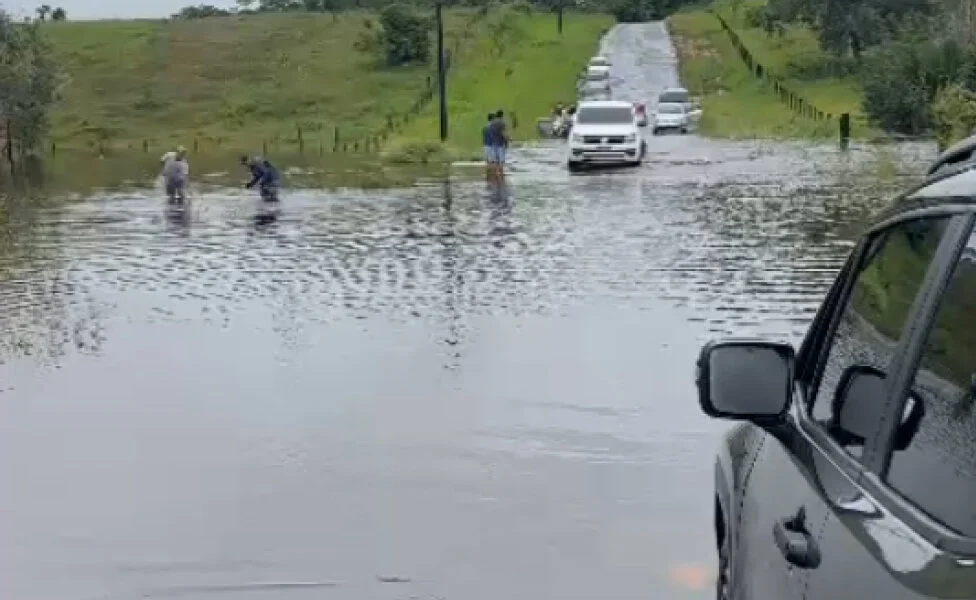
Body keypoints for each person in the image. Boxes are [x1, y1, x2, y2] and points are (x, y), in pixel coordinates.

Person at [487, 110, 508, 180]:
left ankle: (496, 173)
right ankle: (501, 173)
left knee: (496, 160)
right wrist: (506, 140)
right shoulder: (502, 123)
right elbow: (503, 133)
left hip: (493, 143)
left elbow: (489, 133)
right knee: (501, 160)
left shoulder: (492, 123)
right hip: (500, 143)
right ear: (501, 115)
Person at [482, 113, 494, 179]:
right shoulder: (493, 127)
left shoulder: (485, 127)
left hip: (485, 146)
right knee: (492, 163)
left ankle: (488, 177)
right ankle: (491, 177)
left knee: (487, 162)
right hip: (491, 146)